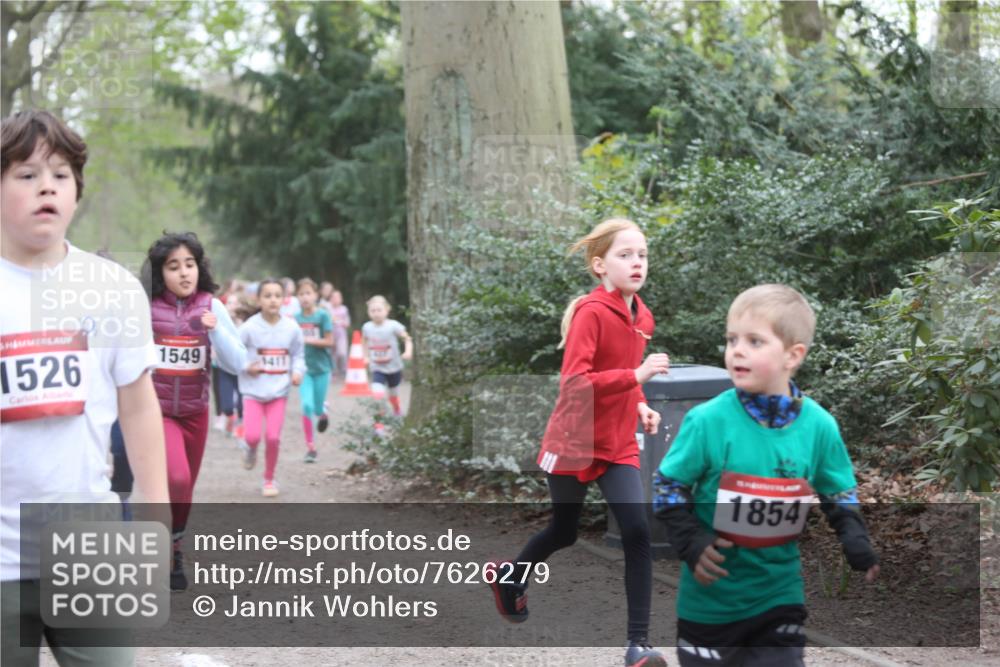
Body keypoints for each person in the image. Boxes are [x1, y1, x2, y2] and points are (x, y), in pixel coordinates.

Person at [1, 109, 169, 666]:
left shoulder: (113, 289)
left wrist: (155, 506)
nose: (45, 185)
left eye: (60, 174)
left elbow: (139, 404)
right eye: (25, 174)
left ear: (76, 192)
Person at [653, 284, 880, 667]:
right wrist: (690, 540)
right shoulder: (708, 421)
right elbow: (667, 485)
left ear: (793, 355)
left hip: (778, 597)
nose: (737, 350)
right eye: (731, 339)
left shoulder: (819, 427)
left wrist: (853, 535)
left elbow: (837, 490)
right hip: (711, 603)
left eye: (755, 341)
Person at [485, 218, 671, 667]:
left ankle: (637, 646)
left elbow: (626, 370)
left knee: (637, 531)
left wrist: (640, 401)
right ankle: (511, 577)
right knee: (565, 531)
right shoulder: (591, 312)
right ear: (599, 265)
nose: (636, 262)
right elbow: (574, 384)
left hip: (617, 441)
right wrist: (636, 376)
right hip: (574, 438)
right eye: (625, 255)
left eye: (642, 254)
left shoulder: (641, 315)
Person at [142, 232, 246, 590]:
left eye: (190, 264)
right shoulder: (146, 306)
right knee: (178, 478)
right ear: (160, 273)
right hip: (157, 412)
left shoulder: (211, 306)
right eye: (174, 267)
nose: (184, 273)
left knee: (185, 488)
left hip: (195, 413)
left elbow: (239, 363)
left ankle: (173, 547)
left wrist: (215, 334)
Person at [238, 279, 305, 497]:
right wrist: (247, 366)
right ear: (259, 300)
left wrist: (297, 372)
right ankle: (249, 449)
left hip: (279, 392)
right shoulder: (249, 327)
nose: (273, 300)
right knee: (253, 436)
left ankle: (269, 479)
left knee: (274, 437)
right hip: (253, 392)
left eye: (277, 295)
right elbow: (234, 354)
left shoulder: (292, 328)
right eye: (267, 296)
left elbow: (298, 355)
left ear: (283, 299)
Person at [361, 295, 412, 435]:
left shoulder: (393, 325)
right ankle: (379, 425)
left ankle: (397, 410)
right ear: (368, 312)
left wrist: (408, 351)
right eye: (372, 310)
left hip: (394, 367)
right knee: (378, 395)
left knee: (393, 395)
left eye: (379, 310)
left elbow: (407, 338)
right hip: (377, 368)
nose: (376, 313)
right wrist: (365, 356)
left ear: (387, 310)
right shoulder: (367, 327)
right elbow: (364, 342)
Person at [295, 278, 334, 462]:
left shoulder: (322, 316)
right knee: (307, 406)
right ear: (297, 297)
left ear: (316, 296)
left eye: (308, 293)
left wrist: (308, 340)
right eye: (301, 294)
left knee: (317, 408)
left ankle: (324, 409)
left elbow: (329, 341)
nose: (305, 297)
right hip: (304, 370)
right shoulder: (295, 319)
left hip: (322, 368)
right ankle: (311, 447)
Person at [329, 289, 351, 378]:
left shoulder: (344, 309)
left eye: (337, 297)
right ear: (330, 299)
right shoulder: (328, 309)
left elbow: (348, 323)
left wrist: (342, 322)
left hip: (341, 335)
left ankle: (343, 369)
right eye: (333, 297)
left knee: (342, 353)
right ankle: (333, 371)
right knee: (332, 354)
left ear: (341, 299)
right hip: (330, 335)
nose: (335, 299)